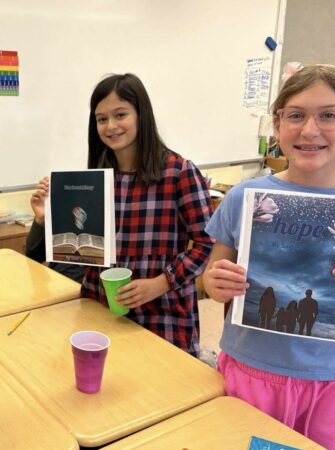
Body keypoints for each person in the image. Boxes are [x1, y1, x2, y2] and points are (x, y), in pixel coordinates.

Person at [202, 64, 335, 449]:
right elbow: (213, 281)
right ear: (278, 123)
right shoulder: (242, 199)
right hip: (245, 373)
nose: (310, 130)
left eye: (329, 115)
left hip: (324, 385)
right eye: (296, 115)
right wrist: (215, 282)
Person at [31, 73, 214, 356]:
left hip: (161, 310)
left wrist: (160, 283)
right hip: (101, 303)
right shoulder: (93, 180)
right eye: (101, 119)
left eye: (120, 115)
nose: (111, 126)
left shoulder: (179, 172)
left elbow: (207, 243)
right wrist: (49, 219)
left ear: (142, 115)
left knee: (162, 385)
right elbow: (79, 246)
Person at [25, 193, 85, 283]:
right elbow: (33, 257)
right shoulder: (65, 201)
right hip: (57, 281)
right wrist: (41, 220)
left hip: (86, 286)